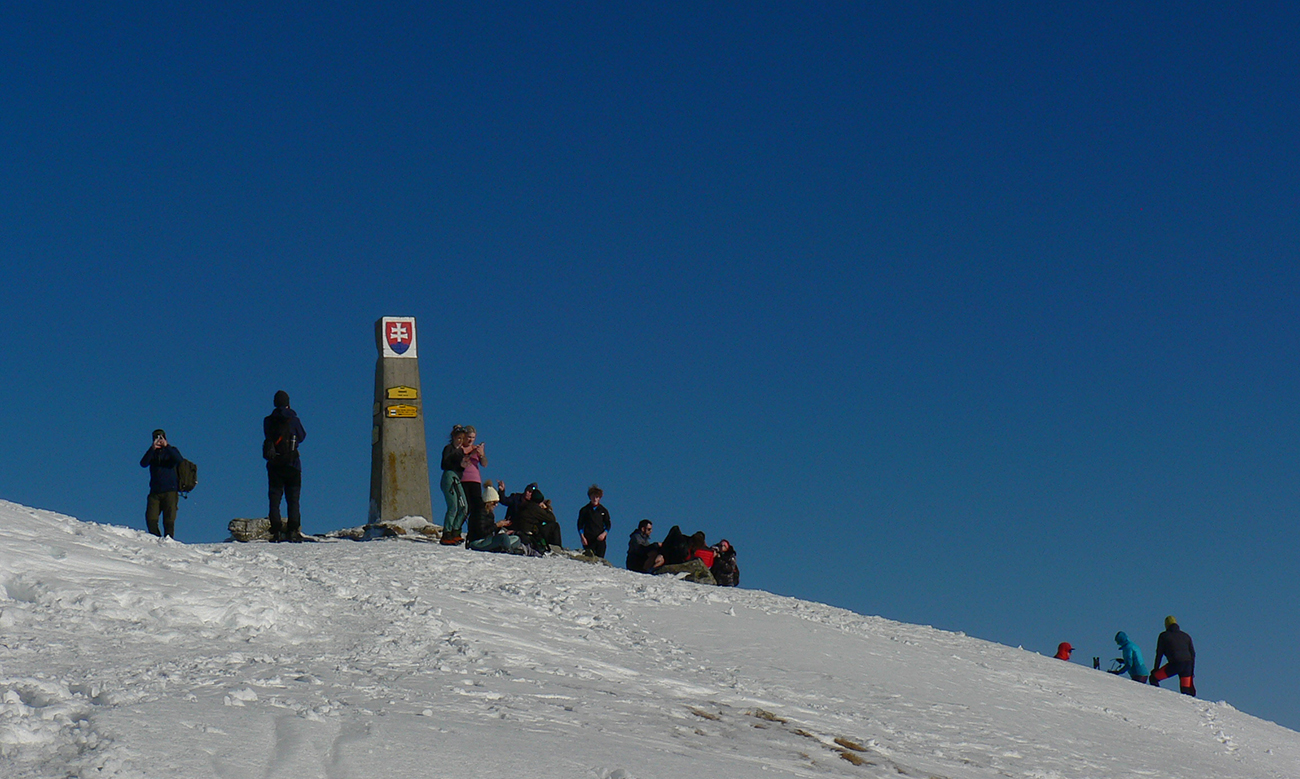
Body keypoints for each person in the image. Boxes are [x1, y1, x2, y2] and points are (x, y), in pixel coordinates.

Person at [263, 391, 307, 542]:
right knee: (293, 499)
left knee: (275, 499)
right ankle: (293, 530)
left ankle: (276, 530)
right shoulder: (293, 419)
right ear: (288, 402)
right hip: (292, 464)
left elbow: (267, 436)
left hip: (275, 465)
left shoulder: (268, 421)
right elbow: (302, 436)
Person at [140, 428, 183, 538]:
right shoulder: (152, 453)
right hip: (155, 492)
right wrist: (152, 448)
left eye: (161, 438)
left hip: (170, 490)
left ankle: (168, 541)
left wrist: (166, 446)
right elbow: (143, 463)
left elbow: (179, 460)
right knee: (151, 518)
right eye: (156, 438)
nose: (159, 440)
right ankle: (156, 539)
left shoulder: (171, 450)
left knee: (169, 520)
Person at [466, 482, 523, 554]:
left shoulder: (490, 514)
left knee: (516, 538)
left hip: (487, 540)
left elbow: (491, 532)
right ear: (488, 502)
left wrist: (501, 526)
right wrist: (497, 525)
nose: (496, 505)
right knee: (503, 538)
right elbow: (482, 532)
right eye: (494, 503)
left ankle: (503, 547)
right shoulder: (479, 512)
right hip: (478, 542)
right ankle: (509, 550)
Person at [1150, 616, 1196, 696]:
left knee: (1153, 678)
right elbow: (1193, 654)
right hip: (1188, 666)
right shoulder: (1186, 636)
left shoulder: (1164, 636)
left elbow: (1159, 654)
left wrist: (1156, 669)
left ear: (1166, 625)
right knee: (1186, 691)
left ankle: (1157, 699)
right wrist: (1191, 672)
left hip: (1175, 664)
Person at [439, 425, 468, 546]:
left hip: (457, 478)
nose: (460, 441)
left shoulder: (460, 451)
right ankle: (447, 533)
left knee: (464, 506)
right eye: (458, 438)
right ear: (454, 437)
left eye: (462, 438)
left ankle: (455, 531)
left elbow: (460, 467)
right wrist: (457, 462)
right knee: (453, 506)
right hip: (449, 477)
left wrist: (463, 465)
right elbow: (444, 464)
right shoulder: (449, 449)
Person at [459, 426, 487, 533]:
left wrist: (482, 454)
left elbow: (484, 464)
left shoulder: (476, 448)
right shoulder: (460, 448)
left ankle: (475, 530)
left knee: (478, 506)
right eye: (469, 437)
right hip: (463, 480)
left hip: (475, 480)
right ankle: (456, 528)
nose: (471, 440)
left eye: (473, 437)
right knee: (465, 507)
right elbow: (460, 461)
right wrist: (472, 453)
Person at [577, 484, 611, 558]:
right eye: (593, 497)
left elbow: (608, 524)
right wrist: (582, 537)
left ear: (599, 498)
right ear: (590, 497)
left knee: (600, 560)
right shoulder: (584, 510)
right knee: (589, 558)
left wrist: (604, 534)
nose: (595, 499)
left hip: (600, 539)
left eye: (597, 497)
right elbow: (580, 525)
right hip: (588, 539)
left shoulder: (603, 510)